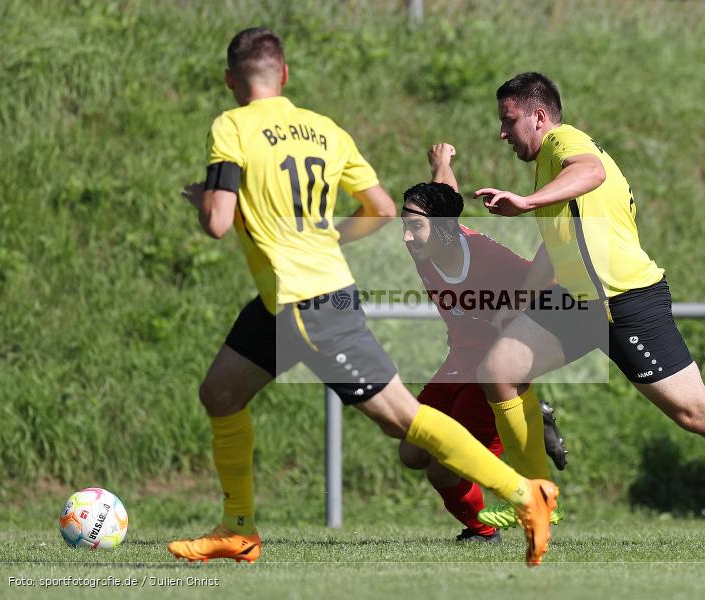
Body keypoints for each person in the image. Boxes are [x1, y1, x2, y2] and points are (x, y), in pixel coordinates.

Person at [167, 31, 558, 567]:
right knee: (220, 393)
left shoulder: (231, 126)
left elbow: (216, 223)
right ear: (284, 75)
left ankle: (524, 494)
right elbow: (376, 208)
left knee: (404, 420)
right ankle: (238, 529)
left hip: (308, 302)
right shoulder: (326, 131)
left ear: (231, 80)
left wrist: (206, 200)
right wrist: (324, 236)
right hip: (283, 298)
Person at [472, 72, 705, 546]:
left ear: (539, 117)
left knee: (696, 412)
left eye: (509, 120)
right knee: (499, 367)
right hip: (581, 304)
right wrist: (517, 301)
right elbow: (553, 246)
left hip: (627, 303)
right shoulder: (547, 170)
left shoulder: (564, 140)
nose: (502, 132)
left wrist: (526, 202)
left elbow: (591, 171)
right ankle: (534, 497)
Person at [398, 144, 568, 543]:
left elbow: (551, 276)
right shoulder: (426, 245)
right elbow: (443, 197)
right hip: (459, 360)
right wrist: (441, 164)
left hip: (493, 369)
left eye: (413, 226)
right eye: (403, 224)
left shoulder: (488, 259)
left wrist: (518, 310)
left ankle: (482, 528)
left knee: (444, 469)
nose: (405, 235)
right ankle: (535, 415)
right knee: (412, 453)